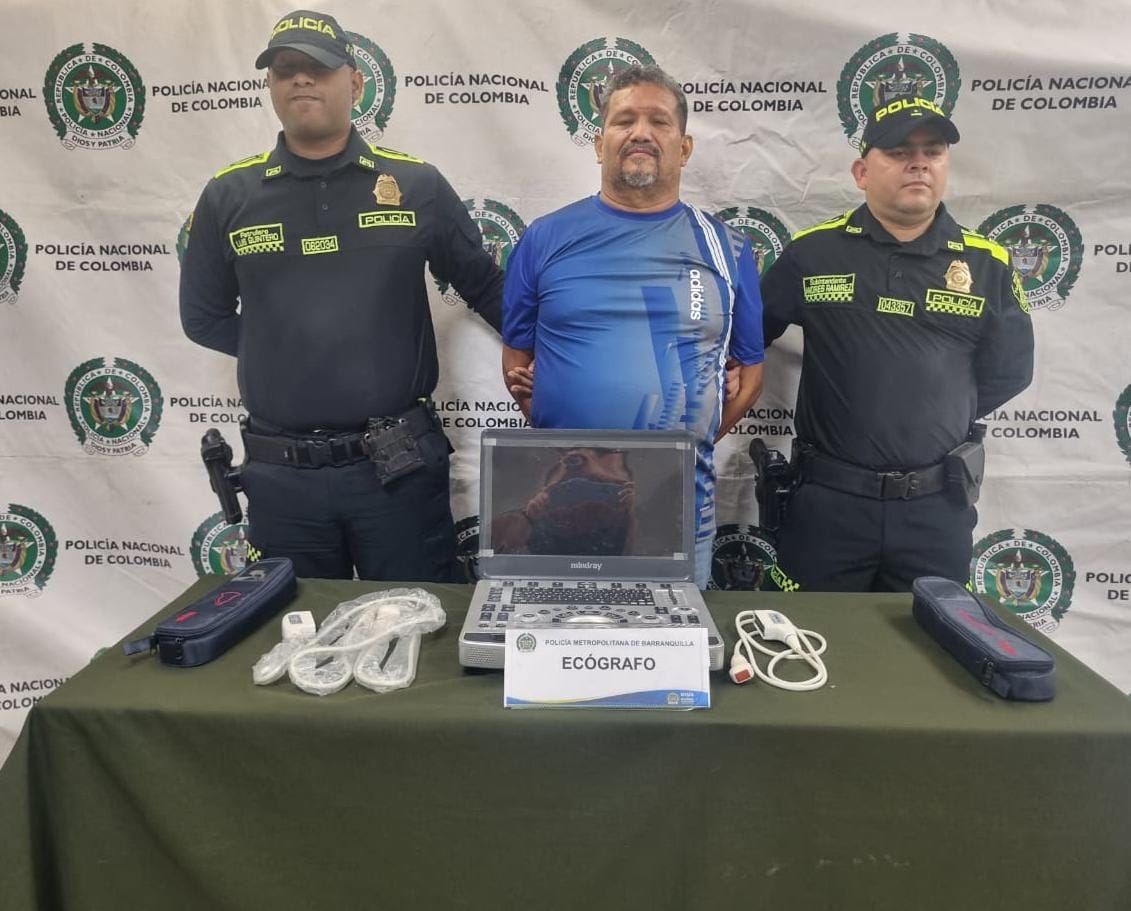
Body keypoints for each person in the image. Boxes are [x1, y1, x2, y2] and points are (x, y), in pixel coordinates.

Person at [180, 10, 504, 581]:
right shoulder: (228, 196)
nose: (301, 79)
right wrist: (288, 350)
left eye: (318, 67)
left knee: (423, 622)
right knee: (293, 627)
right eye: (286, 69)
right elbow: (203, 317)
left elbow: (487, 286)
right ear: (271, 85)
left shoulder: (416, 185)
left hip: (398, 470)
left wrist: (558, 355)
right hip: (283, 480)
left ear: (354, 83)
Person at [500, 65, 765, 588]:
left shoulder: (725, 247)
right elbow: (517, 362)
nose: (641, 132)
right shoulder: (544, 239)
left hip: (678, 510)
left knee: (671, 639)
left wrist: (684, 448)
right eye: (624, 120)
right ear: (600, 143)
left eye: (658, 121)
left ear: (684, 148)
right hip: (561, 510)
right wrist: (564, 436)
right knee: (560, 637)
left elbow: (750, 375)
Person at [759, 96, 1034, 592]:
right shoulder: (812, 253)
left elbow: (1010, 371)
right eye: (899, 151)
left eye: (933, 151)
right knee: (809, 638)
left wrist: (930, 408)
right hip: (827, 507)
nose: (919, 163)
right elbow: (748, 339)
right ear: (862, 172)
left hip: (936, 509)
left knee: (931, 638)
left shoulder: (988, 264)